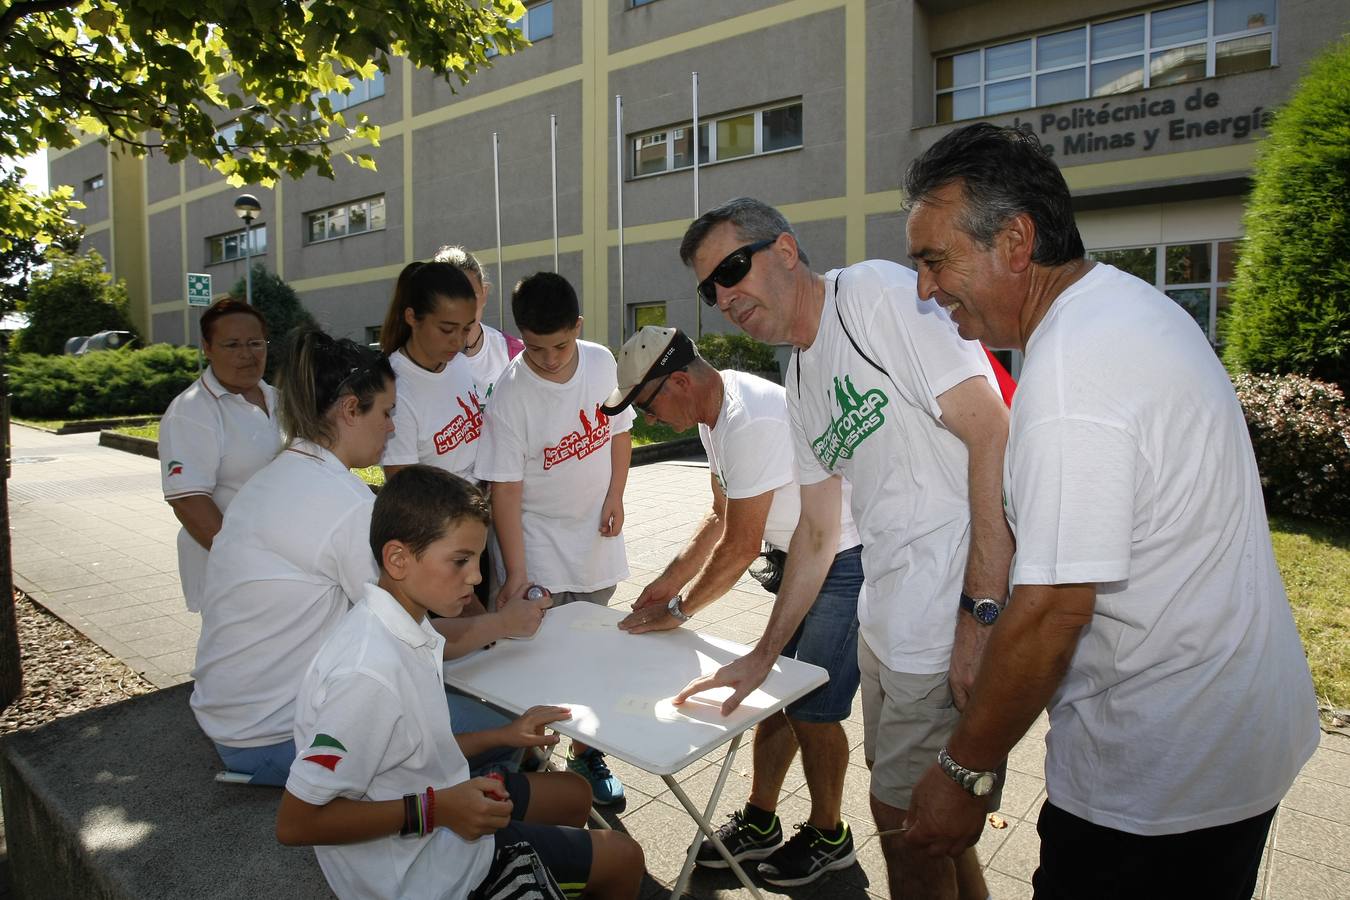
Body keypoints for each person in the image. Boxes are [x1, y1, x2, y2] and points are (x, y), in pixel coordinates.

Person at [898, 123, 1319, 899]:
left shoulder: (1072, 380)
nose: (926, 288)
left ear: (1016, 241)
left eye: (935, 260)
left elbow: (1055, 609)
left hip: (1164, 778)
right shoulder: (1122, 306)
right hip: (1230, 735)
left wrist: (963, 770)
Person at [673, 198, 1013, 900]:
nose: (725, 296)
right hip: (886, 619)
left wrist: (980, 614)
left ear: (787, 251)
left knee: (906, 825)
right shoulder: (799, 379)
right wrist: (763, 654)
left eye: (733, 268)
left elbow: (992, 432)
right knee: (932, 818)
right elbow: (819, 532)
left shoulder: (877, 295)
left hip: (946, 611)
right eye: (710, 288)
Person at [192, 328, 548, 785]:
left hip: (235, 717)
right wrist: (502, 624)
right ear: (349, 411)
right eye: (386, 411)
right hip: (275, 735)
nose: (392, 425)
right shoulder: (346, 508)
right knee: (500, 731)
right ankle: (491, 839)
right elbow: (416, 639)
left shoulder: (278, 476)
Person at [276, 466, 645, 900]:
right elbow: (297, 823)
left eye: (477, 559)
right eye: (460, 561)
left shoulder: (407, 627)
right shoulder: (366, 675)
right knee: (625, 858)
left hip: (435, 811)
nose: (475, 577)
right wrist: (437, 809)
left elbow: (413, 750)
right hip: (422, 871)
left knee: (573, 793)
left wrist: (502, 735)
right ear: (398, 559)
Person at [608, 326, 865, 886]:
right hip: (803, 556)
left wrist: (680, 609)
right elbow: (720, 515)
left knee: (813, 709)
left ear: (678, 381)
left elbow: (742, 543)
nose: (648, 420)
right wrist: (667, 581)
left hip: (842, 561)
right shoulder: (713, 414)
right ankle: (761, 820)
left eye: (647, 405)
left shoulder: (749, 420)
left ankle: (830, 836)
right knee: (774, 694)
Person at [475, 271, 634, 806]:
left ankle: (587, 753)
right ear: (521, 335)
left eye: (560, 345)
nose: (548, 359)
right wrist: (516, 571)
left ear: (579, 328)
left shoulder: (601, 361)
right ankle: (531, 754)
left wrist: (616, 495)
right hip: (536, 543)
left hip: (593, 536)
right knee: (535, 657)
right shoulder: (510, 395)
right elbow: (505, 492)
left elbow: (619, 432)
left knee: (593, 650)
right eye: (536, 347)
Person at [159, 298, 282, 612]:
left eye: (255, 343)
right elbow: (188, 499)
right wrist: (246, 563)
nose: (246, 354)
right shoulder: (192, 411)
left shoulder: (281, 401)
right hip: (233, 575)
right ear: (207, 348)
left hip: (285, 566)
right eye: (231, 344)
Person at [379, 261, 484, 481]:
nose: (458, 341)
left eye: (466, 329)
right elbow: (405, 492)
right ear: (411, 317)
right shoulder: (394, 391)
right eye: (446, 329)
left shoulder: (459, 363)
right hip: (444, 513)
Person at [433, 244, 525, 406]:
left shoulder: (515, 354)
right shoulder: (420, 362)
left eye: (470, 296)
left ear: (484, 293)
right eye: (450, 297)